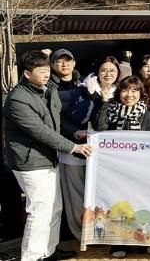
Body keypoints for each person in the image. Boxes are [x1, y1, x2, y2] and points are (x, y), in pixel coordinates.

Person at [4, 50, 92, 261]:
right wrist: (73, 147)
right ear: (27, 74)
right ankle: (32, 256)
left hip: (49, 157)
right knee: (39, 209)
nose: (46, 74)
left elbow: (56, 120)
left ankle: (48, 251)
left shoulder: (48, 89)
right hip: (30, 161)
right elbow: (40, 131)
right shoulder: (17, 99)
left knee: (54, 207)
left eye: (47, 70)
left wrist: (75, 133)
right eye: (41, 71)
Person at [62, 56, 120, 240]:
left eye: (112, 70)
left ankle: (103, 233)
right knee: (77, 195)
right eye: (104, 70)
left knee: (103, 194)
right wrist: (90, 95)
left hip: (106, 156)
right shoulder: (83, 90)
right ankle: (82, 235)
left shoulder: (121, 92)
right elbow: (69, 118)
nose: (108, 74)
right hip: (78, 150)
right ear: (97, 72)